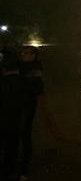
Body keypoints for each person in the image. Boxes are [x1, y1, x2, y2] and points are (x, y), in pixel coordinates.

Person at [18, 46, 43, 180]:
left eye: (27, 53)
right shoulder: (25, 67)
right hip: (20, 104)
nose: (24, 55)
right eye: (23, 52)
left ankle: (24, 168)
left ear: (33, 55)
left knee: (25, 133)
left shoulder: (35, 68)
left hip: (27, 105)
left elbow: (38, 88)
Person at [1, 51, 23, 181]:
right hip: (14, 119)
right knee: (12, 146)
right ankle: (10, 171)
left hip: (4, 118)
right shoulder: (21, 82)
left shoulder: (4, 82)